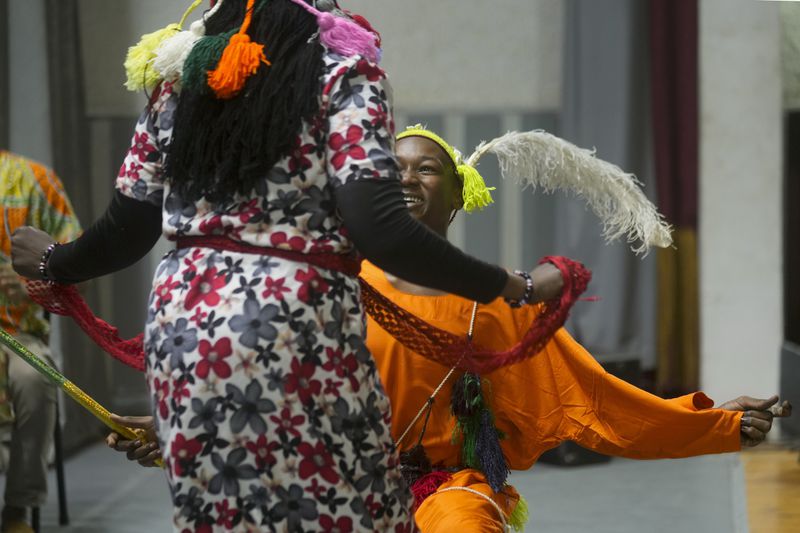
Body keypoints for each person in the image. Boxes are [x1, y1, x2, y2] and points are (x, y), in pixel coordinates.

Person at [9, 2, 564, 531]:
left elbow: (126, 231)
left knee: (222, 512)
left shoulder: (177, 79)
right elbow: (384, 229)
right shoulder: (345, 74)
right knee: (352, 505)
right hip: (298, 323)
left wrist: (55, 260)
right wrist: (513, 286)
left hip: (185, 333)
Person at [108, 126, 793, 532]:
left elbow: (596, 402)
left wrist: (714, 424)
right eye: (392, 168)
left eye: (425, 167)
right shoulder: (335, 286)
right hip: (339, 484)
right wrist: (172, 432)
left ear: (459, 194)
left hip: (447, 486)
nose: (406, 176)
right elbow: (265, 397)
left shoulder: (493, 305)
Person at [0, 150, 81, 533]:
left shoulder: (32, 179)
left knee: (34, 379)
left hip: (17, 332)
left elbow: (77, 258)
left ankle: (17, 509)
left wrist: (30, 283)